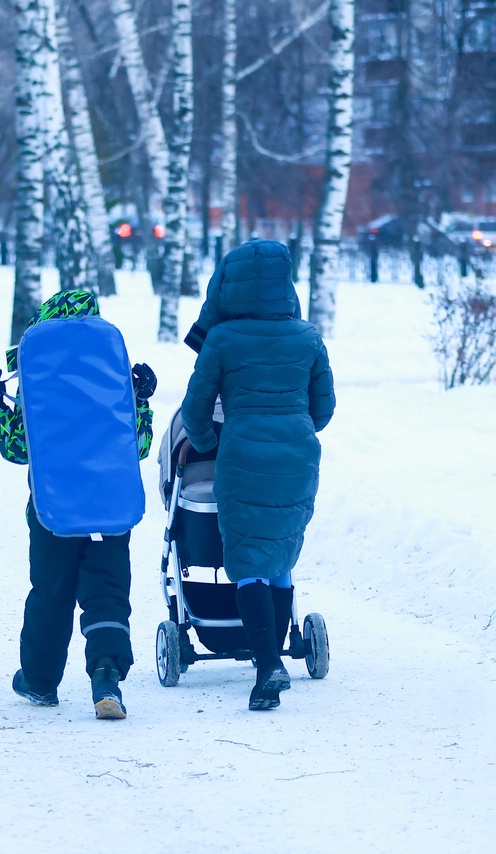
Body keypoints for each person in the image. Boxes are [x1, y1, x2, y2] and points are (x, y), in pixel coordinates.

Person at [0, 290, 155, 720]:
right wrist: (141, 401)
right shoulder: (112, 374)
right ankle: (107, 673)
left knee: (51, 592)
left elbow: (19, 447)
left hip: (54, 507)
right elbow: (139, 446)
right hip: (111, 506)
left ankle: (39, 681)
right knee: (107, 590)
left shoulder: (41, 375)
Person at [181, 239, 335, 711]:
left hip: (242, 456)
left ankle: (268, 664)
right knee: (279, 554)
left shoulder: (223, 339)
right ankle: (277, 652)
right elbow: (323, 410)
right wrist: (294, 427)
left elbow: (195, 411)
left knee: (247, 560)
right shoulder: (307, 337)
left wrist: (207, 442)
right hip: (298, 459)